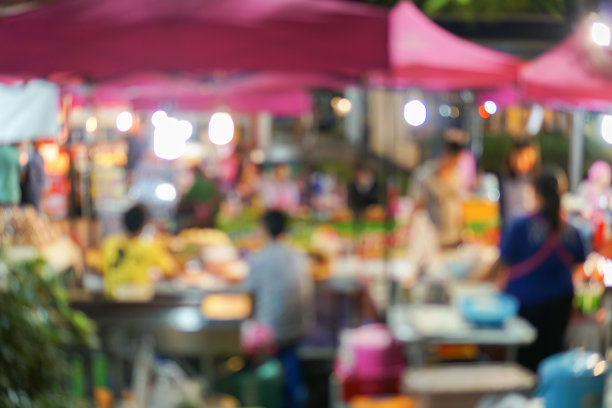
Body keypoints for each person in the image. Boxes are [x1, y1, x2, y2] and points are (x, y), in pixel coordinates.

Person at [483, 169, 587, 371]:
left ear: (535, 192)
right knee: (550, 360)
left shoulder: (519, 225)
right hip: (561, 305)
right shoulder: (573, 231)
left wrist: (475, 281)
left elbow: (501, 265)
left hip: (524, 307)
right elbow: (579, 266)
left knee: (523, 363)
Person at [246, 210, 312, 408]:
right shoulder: (299, 254)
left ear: (264, 229)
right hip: (299, 326)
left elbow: (251, 296)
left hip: (272, 333)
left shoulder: (259, 258)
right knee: (291, 367)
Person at [102, 204, 176, 300]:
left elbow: (101, 268)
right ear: (143, 225)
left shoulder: (109, 243)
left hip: (112, 300)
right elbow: (171, 269)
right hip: (139, 302)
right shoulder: (149, 247)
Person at [413, 139, 465, 249]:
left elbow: (457, 203)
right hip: (433, 240)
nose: (454, 163)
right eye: (452, 159)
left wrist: (461, 230)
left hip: (454, 237)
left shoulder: (455, 173)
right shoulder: (424, 176)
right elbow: (418, 208)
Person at [500, 141, 539, 222]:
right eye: (517, 155)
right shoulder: (504, 181)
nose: (521, 160)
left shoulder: (536, 182)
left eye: (526, 155)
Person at [20, 142, 46, 211]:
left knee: (34, 208)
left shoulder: (35, 157)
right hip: (33, 188)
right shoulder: (36, 157)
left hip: (33, 188)